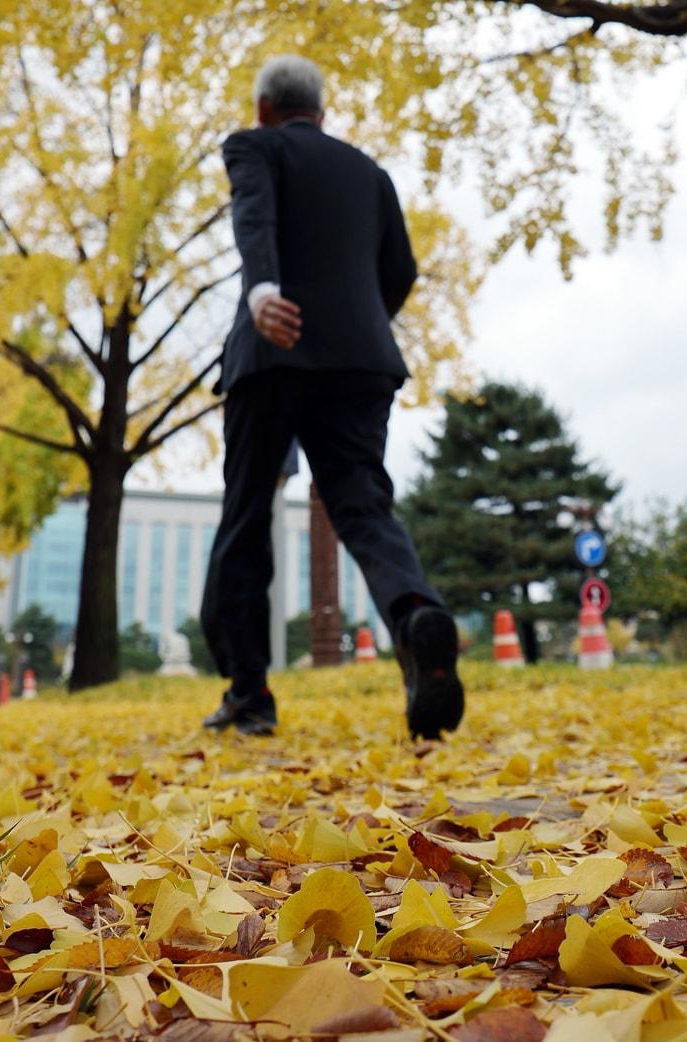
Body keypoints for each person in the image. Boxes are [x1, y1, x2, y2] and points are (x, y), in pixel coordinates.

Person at [200, 55, 463, 740]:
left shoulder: (252, 146)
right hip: (360, 364)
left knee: (248, 515)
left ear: (263, 108)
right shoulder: (370, 175)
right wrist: (361, 322)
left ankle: (249, 691)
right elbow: (399, 269)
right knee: (362, 505)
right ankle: (413, 616)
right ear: (324, 110)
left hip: (273, 350)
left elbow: (252, 219)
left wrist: (263, 292)